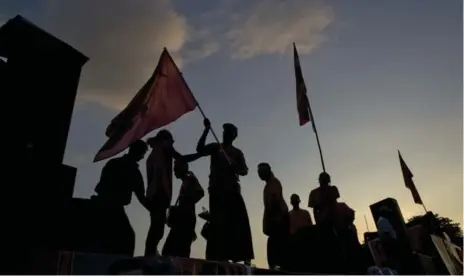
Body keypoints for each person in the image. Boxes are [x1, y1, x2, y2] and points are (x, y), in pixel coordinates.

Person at [196, 118, 254, 264]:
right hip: (217, 191)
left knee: (237, 224)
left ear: (233, 136)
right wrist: (206, 130)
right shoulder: (216, 147)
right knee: (218, 225)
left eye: (229, 133)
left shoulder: (237, 152)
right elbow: (200, 149)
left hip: (232, 191)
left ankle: (240, 256)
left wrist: (236, 167)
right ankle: (218, 257)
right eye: (224, 132)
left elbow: (245, 170)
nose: (225, 134)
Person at [144, 130, 203, 256]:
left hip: (154, 195)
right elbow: (180, 158)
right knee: (157, 229)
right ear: (165, 140)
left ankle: (150, 253)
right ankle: (149, 255)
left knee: (157, 228)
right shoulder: (163, 148)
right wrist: (199, 155)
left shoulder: (154, 154)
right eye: (171, 142)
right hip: (158, 194)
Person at [92, 140, 149, 255]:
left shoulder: (113, 163)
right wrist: (155, 211)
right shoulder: (133, 170)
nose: (142, 157)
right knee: (127, 239)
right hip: (112, 208)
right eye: (143, 153)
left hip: (100, 204)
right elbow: (141, 197)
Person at [162, 160, 204, 258]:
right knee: (174, 249)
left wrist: (187, 200)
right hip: (183, 217)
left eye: (176, 169)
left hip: (185, 218)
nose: (174, 171)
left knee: (176, 249)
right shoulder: (186, 180)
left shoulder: (189, 178)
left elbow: (200, 193)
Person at [258, 163, 290, 269]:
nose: (259, 175)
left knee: (278, 253)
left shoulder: (273, 184)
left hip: (278, 222)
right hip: (276, 223)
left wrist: (274, 221)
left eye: (261, 172)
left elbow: (274, 203)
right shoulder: (269, 184)